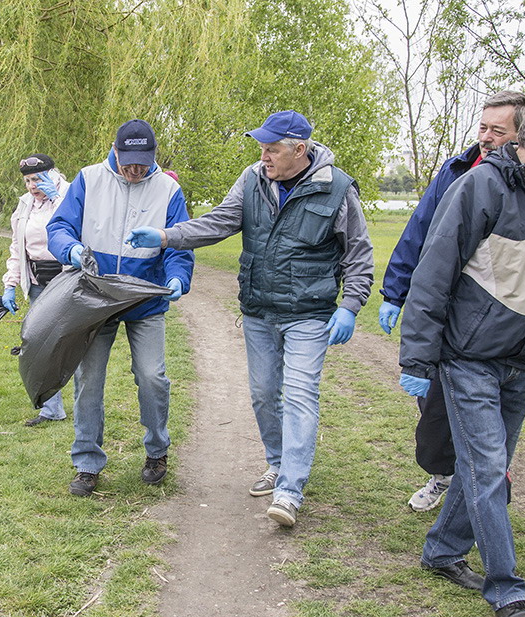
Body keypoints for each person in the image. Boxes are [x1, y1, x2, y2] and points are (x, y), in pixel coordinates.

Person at [397, 97, 525, 617]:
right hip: (470, 362)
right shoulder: (480, 187)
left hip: (521, 367)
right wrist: (418, 356)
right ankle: (508, 595)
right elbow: (433, 274)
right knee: (489, 473)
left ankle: (442, 550)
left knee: (483, 469)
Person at [127, 110, 374, 527]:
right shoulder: (252, 179)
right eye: (261, 148)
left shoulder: (337, 188)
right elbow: (219, 222)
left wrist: (350, 306)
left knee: (300, 395)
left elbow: (359, 254)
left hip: (309, 313)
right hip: (259, 310)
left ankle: (289, 492)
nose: (264, 157)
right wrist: (168, 236)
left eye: (272, 149)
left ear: (300, 149)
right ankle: (277, 463)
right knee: (263, 393)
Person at [379, 91, 525, 511]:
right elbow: (418, 230)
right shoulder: (455, 169)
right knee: (434, 409)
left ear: (523, 135)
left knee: (482, 417)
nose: (486, 137)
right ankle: (443, 476)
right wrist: (395, 292)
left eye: (498, 130)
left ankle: (482, 496)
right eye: (483, 127)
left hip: (489, 319)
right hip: (438, 308)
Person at [45, 119, 194, 496]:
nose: (135, 170)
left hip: (145, 299)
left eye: (143, 163)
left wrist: (178, 277)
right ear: (115, 151)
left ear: (154, 156)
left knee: (152, 376)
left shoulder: (168, 190)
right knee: (88, 379)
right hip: (95, 298)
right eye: (128, 162)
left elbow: (179, 244)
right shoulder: (89, 179)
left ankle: (157, 451)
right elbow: (59, 228)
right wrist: (70, 249)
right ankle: (87, 462)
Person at [1, 153, 71, 426]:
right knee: (42, 344)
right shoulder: (25, 205)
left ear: (52, 175)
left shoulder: (70, 195)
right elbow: (18, 248)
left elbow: (78, 228)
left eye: (37, 179)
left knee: (72, 342)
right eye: (28, 181)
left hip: (68, 279)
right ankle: (51, 409)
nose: (32, 186)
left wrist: (58, 200)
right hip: (38, 282)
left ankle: (87, 406)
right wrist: (10, 284)